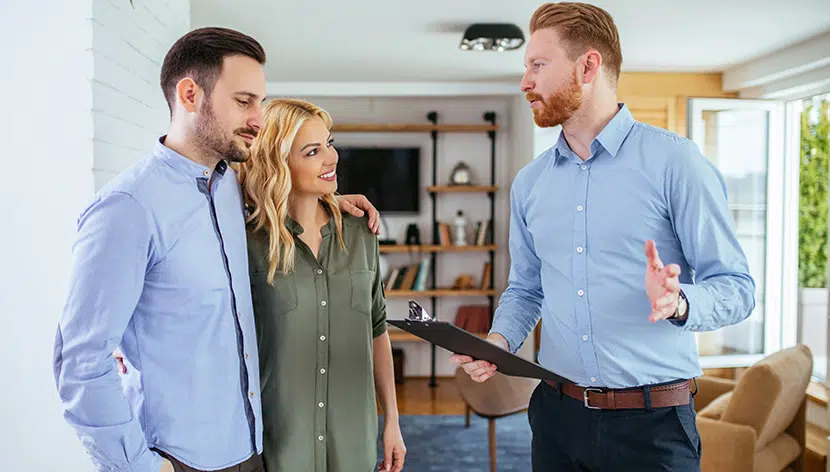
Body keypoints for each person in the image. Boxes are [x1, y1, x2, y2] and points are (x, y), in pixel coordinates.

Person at [53, 27, 378, 472]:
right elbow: (81, 361)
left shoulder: (228, 184)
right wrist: (139, 467)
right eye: (244, 101)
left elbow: (278, 189)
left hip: (249, 450)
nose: (259, 120)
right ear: (190, 94)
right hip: (180, 460)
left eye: (260, 103)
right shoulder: (127, 209)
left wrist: (326, 201)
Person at [450, 3, 756, 472]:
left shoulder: (675, 162)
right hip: (555, 417)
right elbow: (526, 288)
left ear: (588, 66)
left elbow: (738, 288)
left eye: (537, 64)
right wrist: (499, 341)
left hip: (653, 428)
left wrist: (680, 302)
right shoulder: (530, 184)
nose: (524, 82)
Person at [238, 98, 406, 472]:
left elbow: (377, 329)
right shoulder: (247, 244)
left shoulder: (362, 233)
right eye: (313, 151)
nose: (331, 158)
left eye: (329, 143)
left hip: (353, 441)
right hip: (278, 444)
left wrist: (392, 420)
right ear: (278, 164)